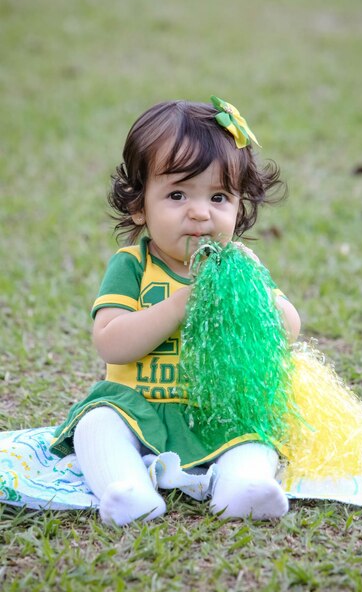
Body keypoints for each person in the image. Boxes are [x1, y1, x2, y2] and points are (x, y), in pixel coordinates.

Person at [50, 96, 301, 526]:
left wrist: (259, 290)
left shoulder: (237, 265)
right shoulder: (133, 264)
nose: (200, 213)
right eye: (178, 194)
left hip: (214, 411)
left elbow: (288, 330)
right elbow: (111, 342)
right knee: (96, 424)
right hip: (138, 407)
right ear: (138, 205)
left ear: (241, 206)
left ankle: (243, 488)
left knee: (258, 435)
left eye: (219, 197)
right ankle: (127, 489)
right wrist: (183, 301)